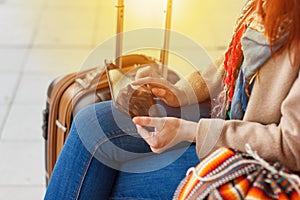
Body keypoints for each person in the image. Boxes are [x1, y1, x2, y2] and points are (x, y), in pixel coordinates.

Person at [44, 0, 300, 199]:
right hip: (229, 120)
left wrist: (190, 131)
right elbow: (236, 62)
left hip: (260, 160)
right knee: (90, 122)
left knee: (113, 181)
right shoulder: (276, 7)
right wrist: (181, 92)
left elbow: (291, 147)